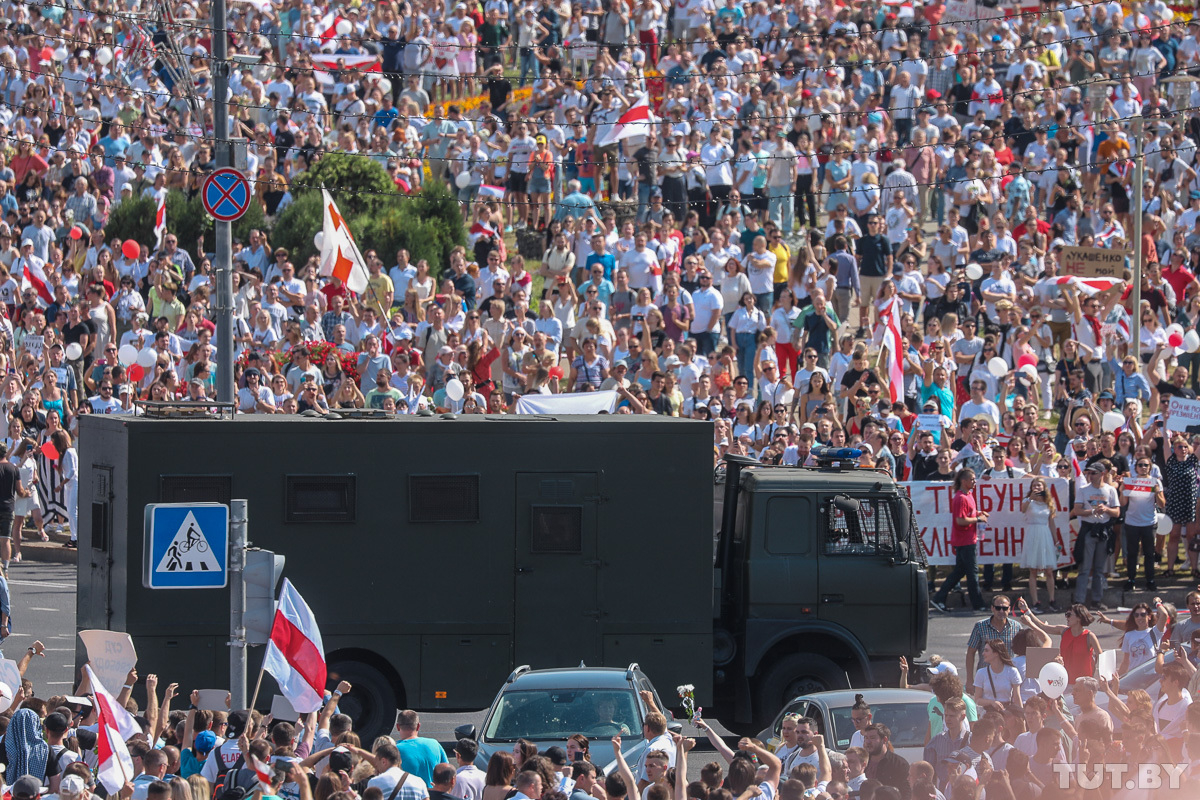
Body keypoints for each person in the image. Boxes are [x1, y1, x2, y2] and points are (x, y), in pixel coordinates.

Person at [930, 469, 988, 614]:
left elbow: (968, 514)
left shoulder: (969, 495)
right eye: (972, 479)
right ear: (964, 481)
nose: (975, 481)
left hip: (968, 538)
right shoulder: (960, 498)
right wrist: (978, 519)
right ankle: (978, 604)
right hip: (965, 540)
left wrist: (977, 513)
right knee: (972, 573)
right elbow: (960, 520)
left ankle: (939, 598)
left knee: (959, 571)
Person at [1020, 476, 1059, 612]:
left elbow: (1052, 523)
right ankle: (1035, 602)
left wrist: (1056, 540)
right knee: (1033, 570)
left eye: (1039, 485)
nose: (1036, 488)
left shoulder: (1049, 502)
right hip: (1032, 533)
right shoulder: (1027, 501)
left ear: (1044, 488)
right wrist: (1030, 497)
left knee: (1049, 570)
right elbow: (1023, 509)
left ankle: (1052, 600)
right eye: (1034, 485)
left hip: (1045, 534)